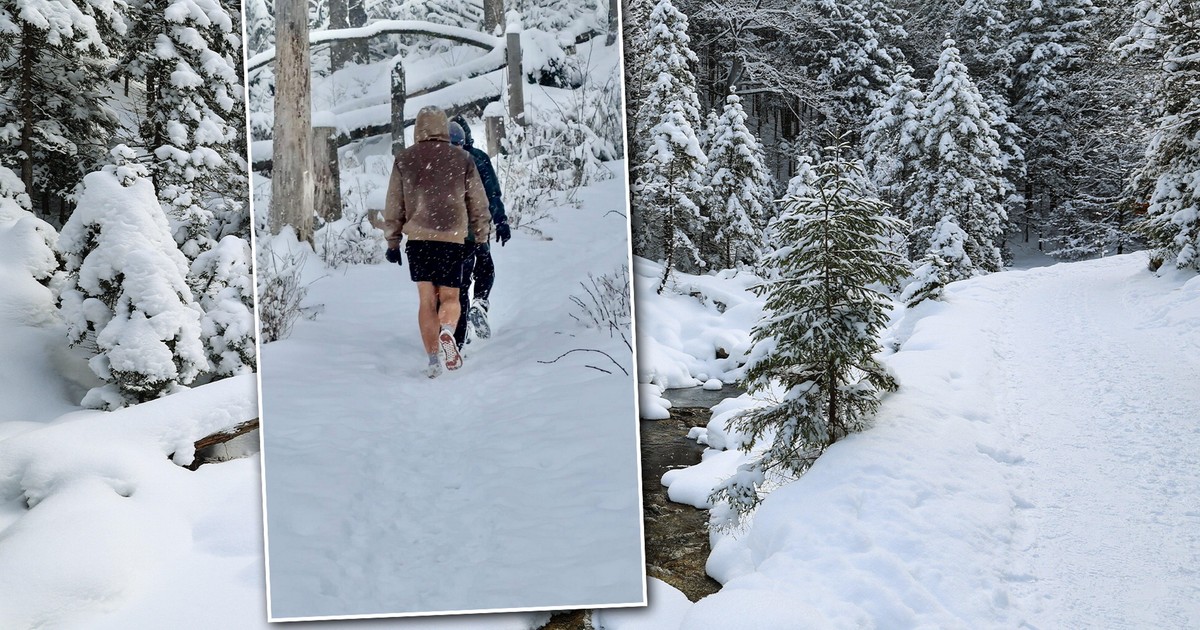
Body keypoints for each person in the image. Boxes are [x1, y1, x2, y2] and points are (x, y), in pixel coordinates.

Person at [383, 106, 491, 378]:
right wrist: (481, 237)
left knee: (426, 300)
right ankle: (446, 331)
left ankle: (433, 359)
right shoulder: (462, 158)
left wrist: (393, 242)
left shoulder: (404, 159)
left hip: (419, 240)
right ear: (444, 127)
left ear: (418, 128)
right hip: (451, 239)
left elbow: (394, 204)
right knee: (451, 296)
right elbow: (478, 203)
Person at [448, 116, 511, 348]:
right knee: (485, 267)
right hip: (478, 229)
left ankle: (458, 333)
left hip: (452, 234)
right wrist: (501, 221)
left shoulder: (440, 161)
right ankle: (480, 302)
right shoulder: (479, 159)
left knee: (459, 284)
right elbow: (493, 194)